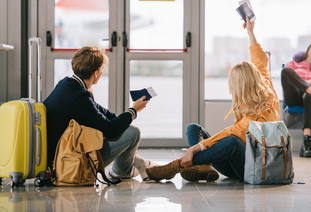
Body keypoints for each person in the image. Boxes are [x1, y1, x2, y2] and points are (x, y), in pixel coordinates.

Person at [145, 16, 280, 182]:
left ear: (239, 86)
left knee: (231, 141)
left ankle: (177, 166)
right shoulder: (265, 84)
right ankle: (203, 167)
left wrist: (193, 149)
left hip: (250, 167)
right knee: (194, 128)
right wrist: (250, 32)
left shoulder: (260, 113)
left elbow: (228, 133)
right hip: (234, 161)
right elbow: (260, 60)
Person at [44, 46, 156, 181]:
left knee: (121, 129)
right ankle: (123, 172)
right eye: (102, 69)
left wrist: (122, 118)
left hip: (62, 152)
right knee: (133, 133)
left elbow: (104, 114)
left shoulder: (67, 84)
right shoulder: (80, 97)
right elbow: (111, 130)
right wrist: (133, 110)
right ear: (95, 73)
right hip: (70, 160)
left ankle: (142, 164)